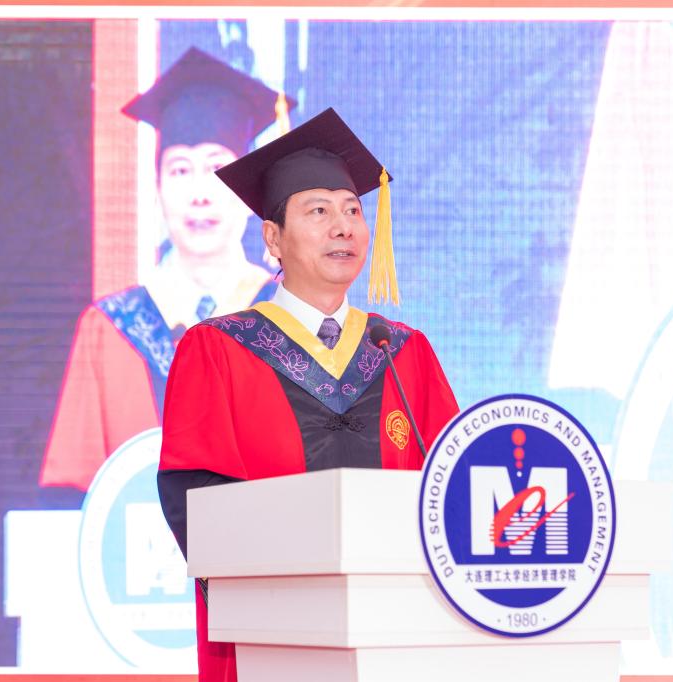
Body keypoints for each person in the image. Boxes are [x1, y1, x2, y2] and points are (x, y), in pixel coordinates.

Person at [157, 107, 460, 681]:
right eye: (318, 211)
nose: (343, 227)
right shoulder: (217, 350)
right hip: (271, 639)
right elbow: (194, 496)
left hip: (398, 638)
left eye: (352, 211)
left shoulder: (403, 353)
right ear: (272, 238)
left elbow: (452, 487)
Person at [39, 48, 291, 494]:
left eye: (218, 168)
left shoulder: (294, 323)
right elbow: (71, 499)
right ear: (157, 190)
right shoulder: (110, 330)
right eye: (179, 170)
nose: (199, 193)